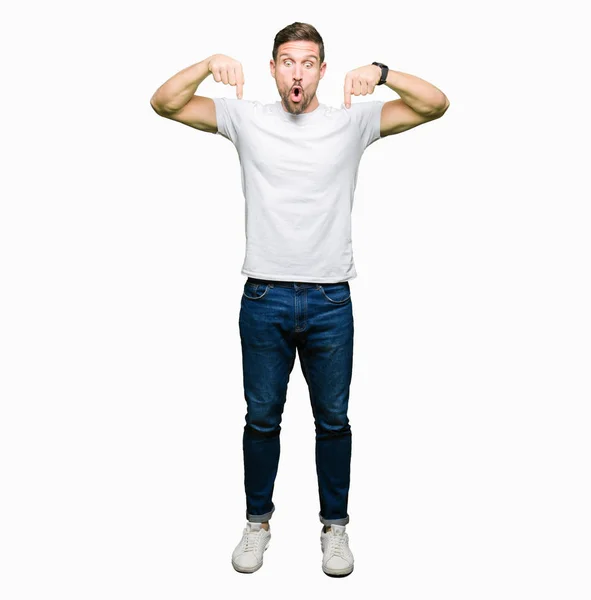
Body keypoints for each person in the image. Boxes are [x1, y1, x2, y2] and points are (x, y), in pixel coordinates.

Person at [150, 21, 449, 577]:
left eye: (308, 63)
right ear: (272, 68)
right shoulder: (245, 118)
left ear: (322, 71)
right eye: (288, 62)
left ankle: (335, 529)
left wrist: (382, 74)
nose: (297, 73)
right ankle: (257, 523)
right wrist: (207, 61)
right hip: (262, 294)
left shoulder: (352, 123)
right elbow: (165, 104)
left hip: (330, 300)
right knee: (262, 418)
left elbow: (436, 105)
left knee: (333, 420)